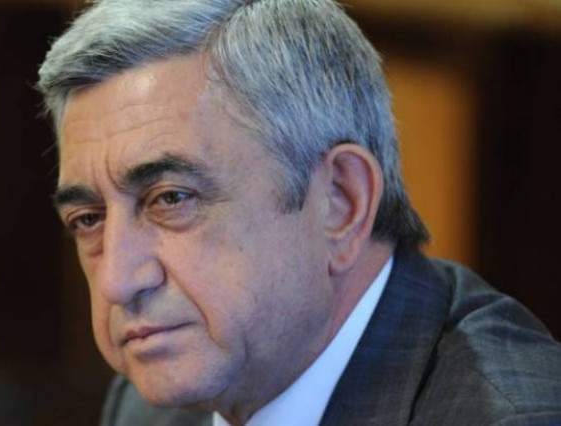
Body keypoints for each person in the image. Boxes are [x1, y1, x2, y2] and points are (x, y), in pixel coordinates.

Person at [37, 0, 561, 424]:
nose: (116, 282)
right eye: (89, 219)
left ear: (341, 203)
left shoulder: (511, 416)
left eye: (171, 199)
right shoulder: (152, 404)